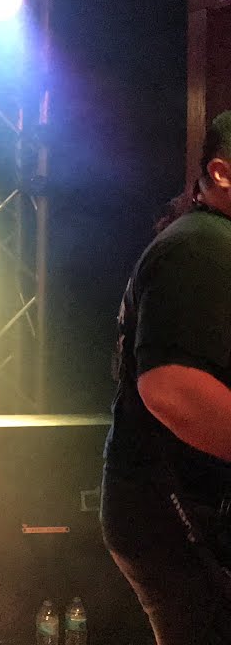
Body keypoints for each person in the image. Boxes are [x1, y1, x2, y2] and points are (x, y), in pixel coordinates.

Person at [103, 110, 231, 644]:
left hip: (171, 507)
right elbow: (172, 388)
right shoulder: (201, 245)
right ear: (221, 173)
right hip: (178, 511)